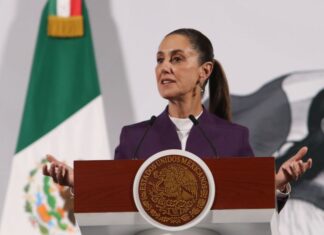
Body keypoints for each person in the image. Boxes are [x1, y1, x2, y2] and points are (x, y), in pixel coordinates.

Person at [43, 28, 312, 211]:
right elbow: (116, 201)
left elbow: (251, 209)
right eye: (159, 60)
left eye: (177, 59)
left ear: (204, 71)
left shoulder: (233, 138)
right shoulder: (135, 138)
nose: (164, 67)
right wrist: (78, 181)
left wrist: (277, 184)